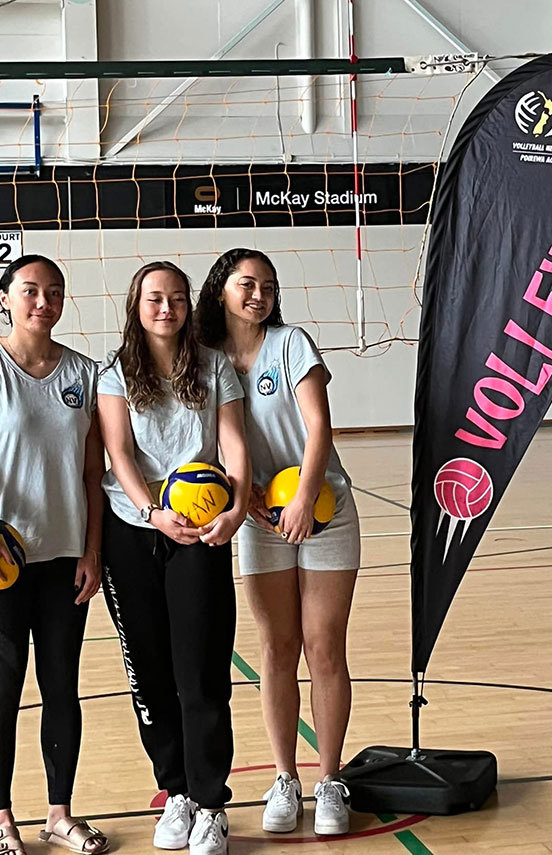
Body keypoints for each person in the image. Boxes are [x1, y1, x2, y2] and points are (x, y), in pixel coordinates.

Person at [0, 255, 109, 855]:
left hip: (66, 558)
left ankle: (59, 816)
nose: (44, 301)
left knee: (62, 685)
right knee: (3, 686)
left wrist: (92, 549)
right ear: (6, 297)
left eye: (55, 291)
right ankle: (0, 822)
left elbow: (94, 471)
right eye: (30, 291)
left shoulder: (86, 374)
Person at [195, 248, 360, 836]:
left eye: (268, 285)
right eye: (246, 283)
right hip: (258, 518)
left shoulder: (292, 344)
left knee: (324, 647)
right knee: (276, 647)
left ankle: (330, 780)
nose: (258, 294)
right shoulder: (205, 360)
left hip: (323, 510)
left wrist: (302, 497)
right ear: (221, 290)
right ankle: (286, 778)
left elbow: (319, 425)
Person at [97, 261, 250, 855]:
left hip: (203, 530)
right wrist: (152, 511)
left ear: (189, 306)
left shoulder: (212, 366)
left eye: (178, 298)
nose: (167, 308)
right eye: (155, 298)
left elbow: (233, 441)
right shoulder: (115, 373)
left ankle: (211, 803)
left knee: (202, 671)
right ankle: (176, 792)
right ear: (137, 306)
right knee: (151, 671)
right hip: (135, 531)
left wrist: (234, 507)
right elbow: (120, 455)